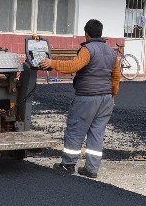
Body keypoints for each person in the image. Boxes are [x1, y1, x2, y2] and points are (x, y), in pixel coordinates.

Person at [39, 19, 122, 178]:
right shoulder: (112, 52)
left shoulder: (87, 50)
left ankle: (68, 164)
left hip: (87, 98)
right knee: (97, 133)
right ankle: (91, 169)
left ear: (86, 33)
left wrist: (52, 63)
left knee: (76, 130)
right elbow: (116, 77)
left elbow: (74, 66)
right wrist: (111, 95)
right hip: (106, 99)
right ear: (100, 32)